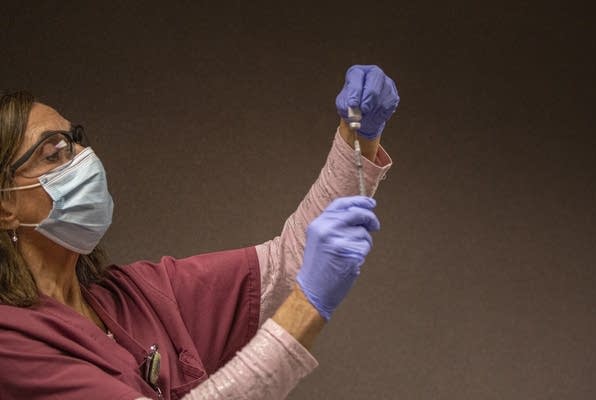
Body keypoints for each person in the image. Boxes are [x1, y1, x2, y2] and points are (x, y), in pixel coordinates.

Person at [0, 64, 399, 400]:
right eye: (54, 154)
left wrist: (357, 139)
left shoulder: (136, 295)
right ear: (6, 206)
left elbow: (284, 266)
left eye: (77, 142)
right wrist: (308, 305)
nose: (84, 160)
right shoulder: (12, 343)